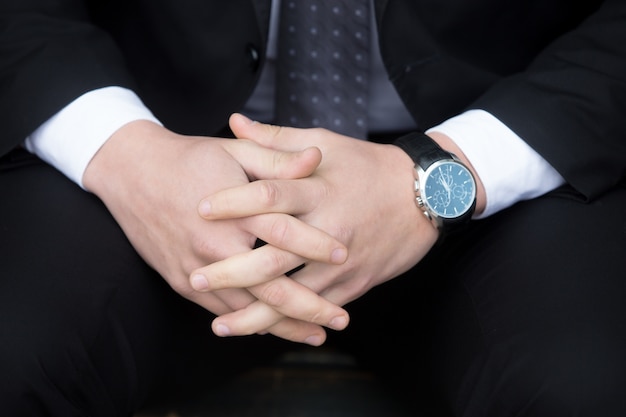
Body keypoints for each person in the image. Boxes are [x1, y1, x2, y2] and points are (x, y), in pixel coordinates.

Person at [1, 0, 625, 416]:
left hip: (492, 167)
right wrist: (126, 154)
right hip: (152, 164)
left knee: (589, 385)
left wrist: (447, 169)